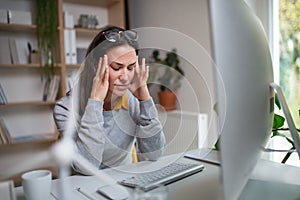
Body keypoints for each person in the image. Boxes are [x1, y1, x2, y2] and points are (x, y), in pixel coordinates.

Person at [53, 26, 166, 174]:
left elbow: (155, 154)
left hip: (123, 179)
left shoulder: (131, 100)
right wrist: (95, 102)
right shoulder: (65, 108)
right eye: (117, 67)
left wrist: (145, 99)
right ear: (95, 66)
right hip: (83, 185)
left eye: (131, 68)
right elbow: (86, 167)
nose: (125, 77)